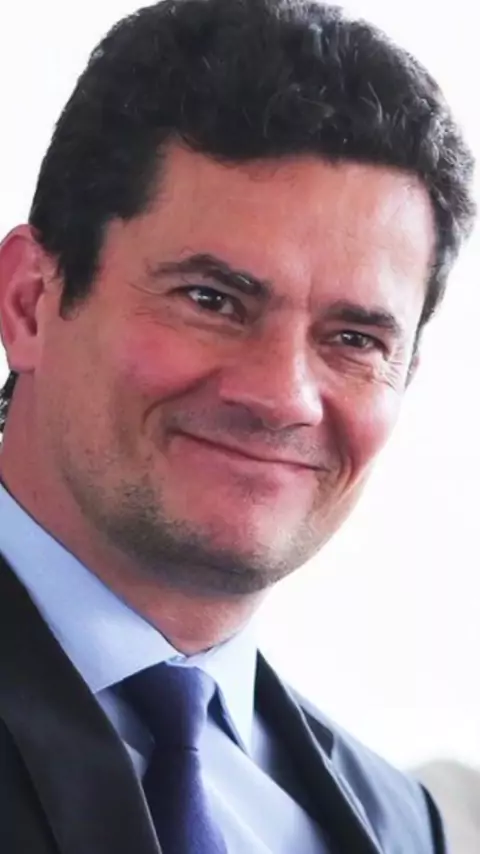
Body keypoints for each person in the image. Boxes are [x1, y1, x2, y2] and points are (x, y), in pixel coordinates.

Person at [0, 0, 475, 852]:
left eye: (355, 340)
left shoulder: (407, 826)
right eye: (211, 300)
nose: (282, 396)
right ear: (30, 302)